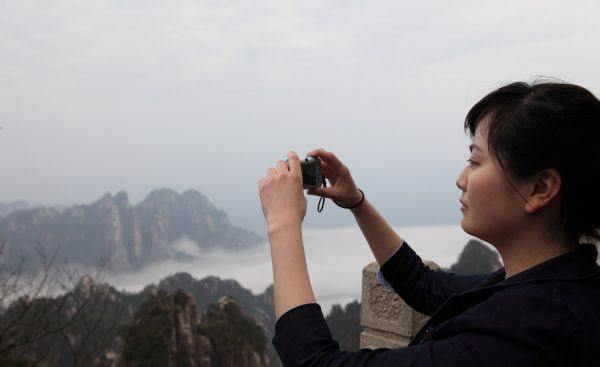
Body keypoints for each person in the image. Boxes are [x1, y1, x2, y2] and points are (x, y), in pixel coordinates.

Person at [258, 80, 600, 366]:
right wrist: (356, 203)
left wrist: (283, 224)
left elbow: (313, 363)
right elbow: (424, 286)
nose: (461, 178)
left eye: (475, 161)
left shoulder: (522, 334)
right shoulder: (554, 286)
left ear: (539, 188)